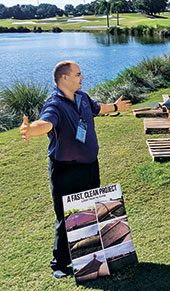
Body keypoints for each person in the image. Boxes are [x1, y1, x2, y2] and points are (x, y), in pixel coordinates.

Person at [19, 60, 132, 279]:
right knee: (66, 216)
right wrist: (32, 130)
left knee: (90, 211)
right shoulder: (54, 103)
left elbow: (98, 108)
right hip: (65, 170)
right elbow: (47, 123)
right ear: (64, 78)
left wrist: (116, 107)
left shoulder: (82, 97)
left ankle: (89, 254)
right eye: (78, 74)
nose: (82, 78)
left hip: (90, 166)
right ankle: (60, 263)